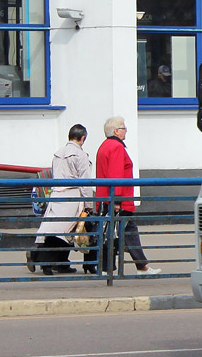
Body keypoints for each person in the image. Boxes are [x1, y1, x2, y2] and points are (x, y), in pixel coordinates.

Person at [95, 117, 160, 274]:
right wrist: (117, 200)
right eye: (124, 128)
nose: (126, 131)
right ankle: (140, 267)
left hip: (107, 198)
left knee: (115, 233)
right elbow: (117, 175)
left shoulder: (104, 146)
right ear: (116, 131)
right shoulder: (117, 148)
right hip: (119, 200)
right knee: (124, 232)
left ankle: (110, 268)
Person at [33, 124, 94, 275]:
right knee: (69, 231)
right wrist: (89, 204)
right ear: (82, 138)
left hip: (56, 196)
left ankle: (57, 262)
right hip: (72, 197)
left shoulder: (58, 154)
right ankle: (87, 264)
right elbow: (86, 181)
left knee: (54, 230)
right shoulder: (80, 155)